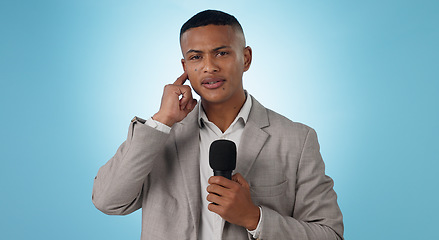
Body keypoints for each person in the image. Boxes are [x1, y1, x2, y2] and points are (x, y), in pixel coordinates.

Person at [92, 9, 344, 240]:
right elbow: (108, 201)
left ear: (246, 58)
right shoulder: (160, 136)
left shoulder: (297, 140)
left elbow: (330, 234)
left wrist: (254, 218)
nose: (209, 67)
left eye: (221, 53)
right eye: (196, 57)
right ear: (185, 67)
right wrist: (162, 120)